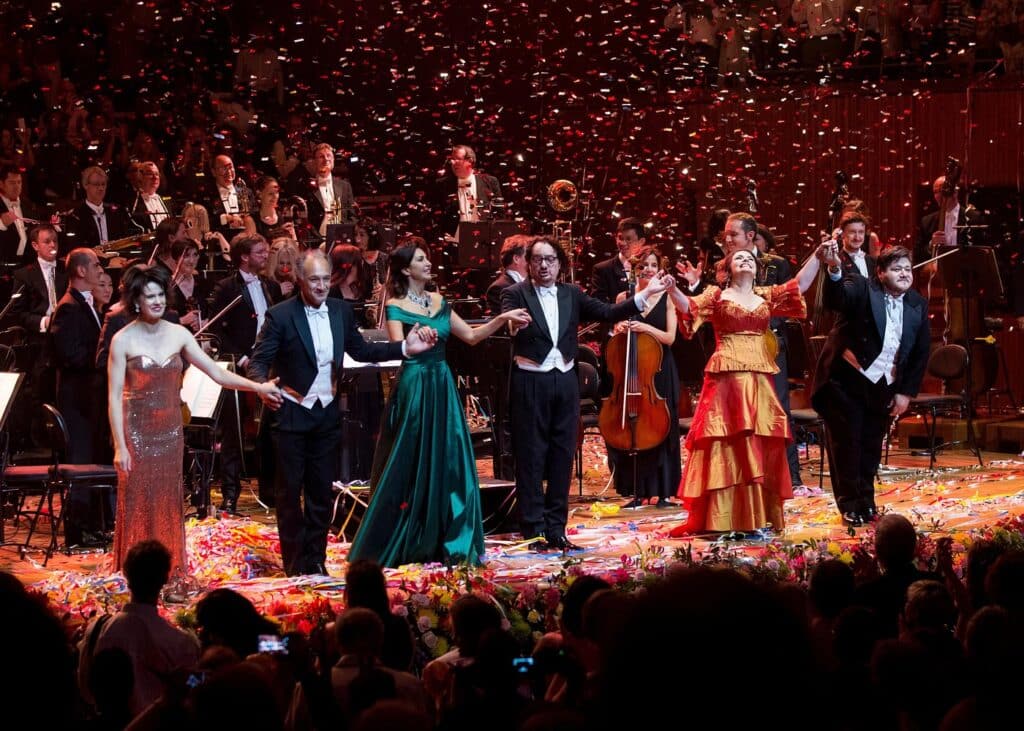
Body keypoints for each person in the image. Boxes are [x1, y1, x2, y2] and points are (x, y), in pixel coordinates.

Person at [247, 249, 437, 577]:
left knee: (321, 491)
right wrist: (262, 386)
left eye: (325, 279)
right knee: (290, 495)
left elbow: (362, 351)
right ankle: (295, 564)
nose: (321, 286)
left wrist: (405, 348)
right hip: (291, 414)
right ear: (299, 280)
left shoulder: (339, 311)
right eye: (314, 280)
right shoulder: (280, 315)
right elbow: (259, 361)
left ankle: (316, 560)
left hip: (326, 414)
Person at [348, 245, 530, 567]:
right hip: (415, 386)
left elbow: (473, 336)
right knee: (412, 461)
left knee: (450, 460)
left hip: (441, 384)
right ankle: (410, 536)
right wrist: (414, 342)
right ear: (406, 270)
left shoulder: (441, 303)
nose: (428, 262)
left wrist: (501, 318)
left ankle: (448, 535)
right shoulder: (394, 306)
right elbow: (397, 351)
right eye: (421, 259)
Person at [107, 264, 281, 576]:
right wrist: (120, 446)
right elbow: (114, 397)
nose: (158, 301)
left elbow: (217, 373)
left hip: (170, 432)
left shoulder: (179, 334)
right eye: (150, 297)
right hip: (136, 433)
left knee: (167, 501)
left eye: (161, 294)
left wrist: (257, 386)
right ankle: (135, 572)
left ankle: (170, 569)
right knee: (137, 500)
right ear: (136, 302)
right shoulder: (122, 340)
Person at [502, 237, 673, 551]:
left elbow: (609, 311)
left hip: (564, 382)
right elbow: (509, 322)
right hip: (531, 382)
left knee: (561, 456)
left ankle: (556, 530)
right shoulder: (515, 293)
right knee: (531, 457)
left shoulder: (571, 294)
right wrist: (513, 324)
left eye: (550, 259)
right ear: (528, 263)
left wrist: (647, 293)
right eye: (538, 259)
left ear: (560, 263)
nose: (543, 265)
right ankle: (535, 532)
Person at [666, 244, 826, 535]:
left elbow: (799, 284)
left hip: (759, 377)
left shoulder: (765, 295)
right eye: (738, 258)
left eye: (749, 258)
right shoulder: (716, 295)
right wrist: (671, 288)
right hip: (726, 377)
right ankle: (722, 517)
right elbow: (688, 306)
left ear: (757, 268)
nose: (745, 260)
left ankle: (755, 514)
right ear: (727, 270)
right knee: (725, 442)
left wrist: (817, 254)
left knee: (758, 441)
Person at [811, 246, 930, 526]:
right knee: (847, 446)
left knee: (870, 448)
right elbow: (838, 297)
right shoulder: (864, 289)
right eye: (896, 268)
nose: (904, 274)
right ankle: (850, 505)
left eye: (907, 269)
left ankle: (867, 502)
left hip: (884, 386)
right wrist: (834, 270)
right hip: (845, 382)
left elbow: (920, 352)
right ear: (880, 272)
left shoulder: (917, 303)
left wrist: (905, 392)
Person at [608, 247, 680, 507]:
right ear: (635, 270)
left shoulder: (668, 297)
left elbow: (670, 338)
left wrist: (646, 327)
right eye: (643, 266)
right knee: (634, 428)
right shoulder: (623, 297)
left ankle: (663, 491)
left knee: (662, 425)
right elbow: (614, 335)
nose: (648, 270)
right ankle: (637, 490)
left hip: (660, 371)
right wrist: (618, 329)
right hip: (632, 371)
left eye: (653, 265)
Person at [590, 218, 646, 303]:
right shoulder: (602, 270)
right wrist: (618, 306)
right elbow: (598, 309)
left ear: (641, 241)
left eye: (628, 239)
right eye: (620, 238)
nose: (623, 243)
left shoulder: (650, 267)